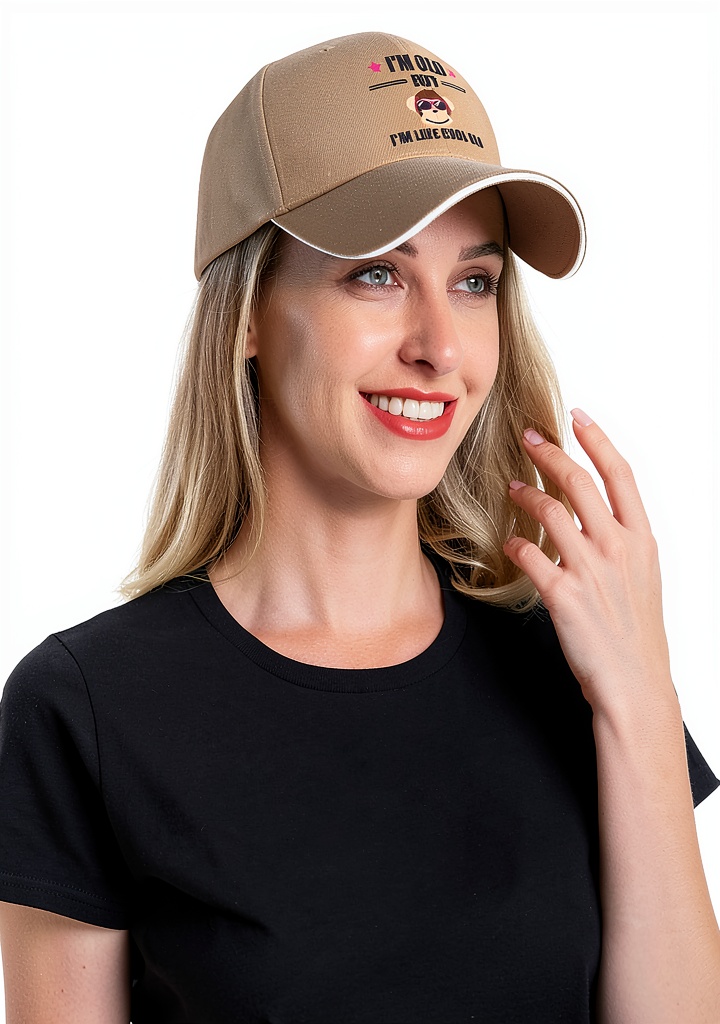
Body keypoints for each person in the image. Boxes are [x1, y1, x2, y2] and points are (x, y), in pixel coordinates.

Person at [0, 29, 718, 1024]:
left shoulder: (577, 664)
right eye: (377, 273)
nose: (440, 347)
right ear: (247, 314)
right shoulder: (86, 709)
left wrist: (638, 697)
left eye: (475, 282)